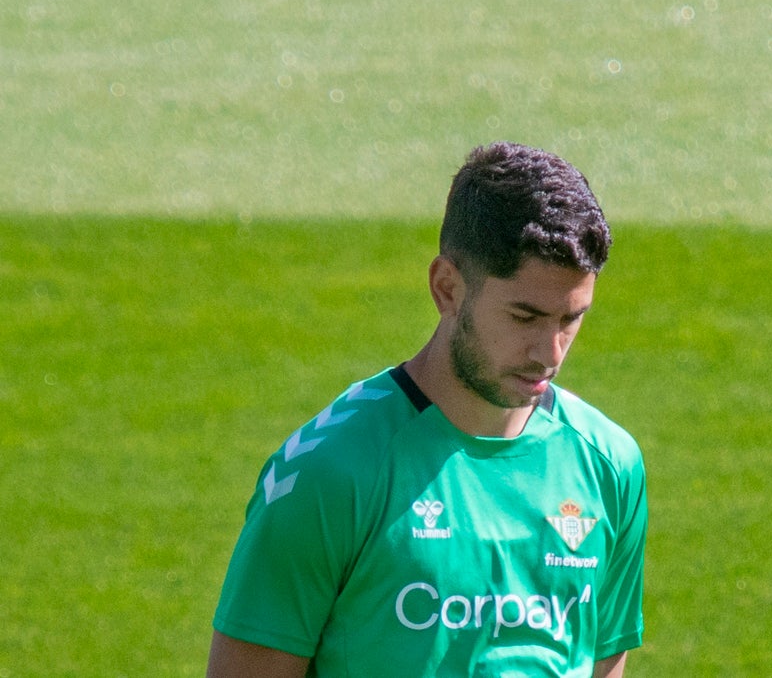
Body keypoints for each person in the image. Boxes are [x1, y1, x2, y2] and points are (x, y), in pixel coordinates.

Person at [207, 142, 647, 677]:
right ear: (447, 288)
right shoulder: (330, 473)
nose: (550, 352)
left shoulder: (608, 465)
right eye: (524, 316)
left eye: (570, 319)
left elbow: (603, 665)